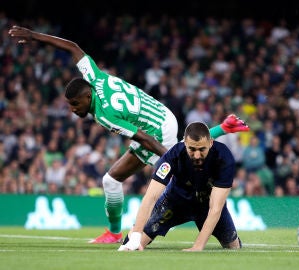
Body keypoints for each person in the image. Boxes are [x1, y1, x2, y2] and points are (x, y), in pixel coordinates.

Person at [9, 25, 250, 243]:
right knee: (111, 180)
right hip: (158, 114)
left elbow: (144, 139)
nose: (73, 110)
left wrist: (173, 158)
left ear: (87, 97)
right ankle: (114, 233)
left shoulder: (105, 114)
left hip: (157, 129)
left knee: (178, 171)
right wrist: (33, 36)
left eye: (75, 104)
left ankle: (180, 216)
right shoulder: (94, 77)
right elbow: (72, 47)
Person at [119, 121, 242, 251]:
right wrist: (136, 236)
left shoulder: (224, 157)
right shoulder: (173, 156)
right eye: (192, 149)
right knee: (133, 245)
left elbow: (215, 208)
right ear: (185, 144)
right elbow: (150, 197)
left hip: (207, 205)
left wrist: (198, 247)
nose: (197, 155)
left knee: (233, 247)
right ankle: (132, 235)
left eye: (202, 149)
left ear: (211, 143)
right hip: (174, 202)